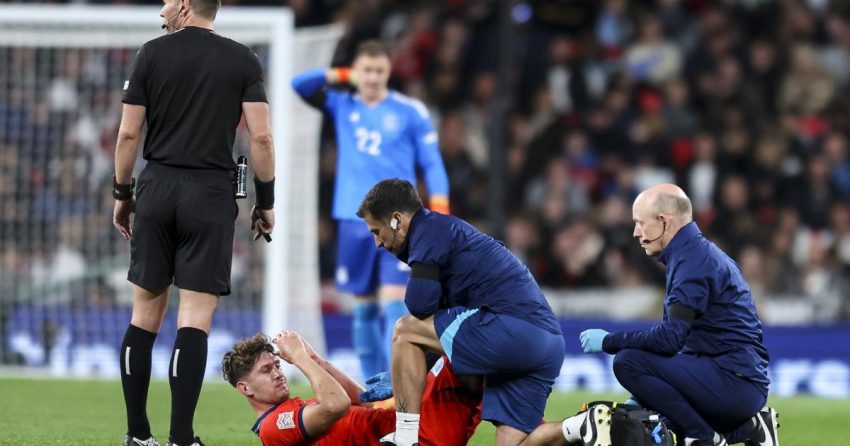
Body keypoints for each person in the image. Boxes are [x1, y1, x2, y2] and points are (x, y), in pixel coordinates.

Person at [112, 0, 275, 445]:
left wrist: (122, 194)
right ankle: (181, 438)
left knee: (143, 317)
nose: (161, 7)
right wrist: (266, 202)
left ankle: (137, 435)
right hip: (211, 193)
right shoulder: (242, 58)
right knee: (194, 321)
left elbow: (128, 134)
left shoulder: (151, 53)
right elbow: (260, 135)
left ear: (184, 4)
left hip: (158, 187)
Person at [356, 178, 565, 446]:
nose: (377, 243)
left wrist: (405, 369)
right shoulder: (449, 235)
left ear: (397, 219)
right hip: (546, 344)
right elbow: (436, 326)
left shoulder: (429, 230)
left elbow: (419, 306)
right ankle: (581, 426)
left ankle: (407, 440)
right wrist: (406, 371)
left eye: (377, 231)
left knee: (403, 330)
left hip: (513, 329)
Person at [291, 40, 450, 380]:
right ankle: (373, 385)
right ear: (355, 73)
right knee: (362, 311)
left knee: (395, 303)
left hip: (399, 220)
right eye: (366, 71)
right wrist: (342, 74)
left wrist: (440, 208)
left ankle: (399, 380)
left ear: (388, 72)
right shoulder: (341, 103)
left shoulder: (409, 111)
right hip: (354, 221)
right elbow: (299, 85)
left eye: (379, 71)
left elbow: (432, 164)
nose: (373, 78)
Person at [578, 184, 779, 446]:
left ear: (664, 221)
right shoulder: (697, 254)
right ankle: (751, 429)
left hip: (733, 383)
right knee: (650, 417)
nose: (636, 232)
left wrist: (609, 341)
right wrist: (643, 394)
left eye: (640, 223)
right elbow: (684, 340)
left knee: (627, 362)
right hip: (736, 379)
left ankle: (704, 438)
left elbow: (668, 339)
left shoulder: (692, 263)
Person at [221, 331, 482, 446]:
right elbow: (337, 404)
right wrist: (298, 358)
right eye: (267, 371)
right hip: (421, 434)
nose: (278, 373)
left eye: (277, 365)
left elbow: (362, 401)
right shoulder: (273, 426)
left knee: (452, 347)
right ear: (245, 388)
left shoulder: (300, 409)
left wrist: (315, 360)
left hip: (412, 423)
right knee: (466, 346)